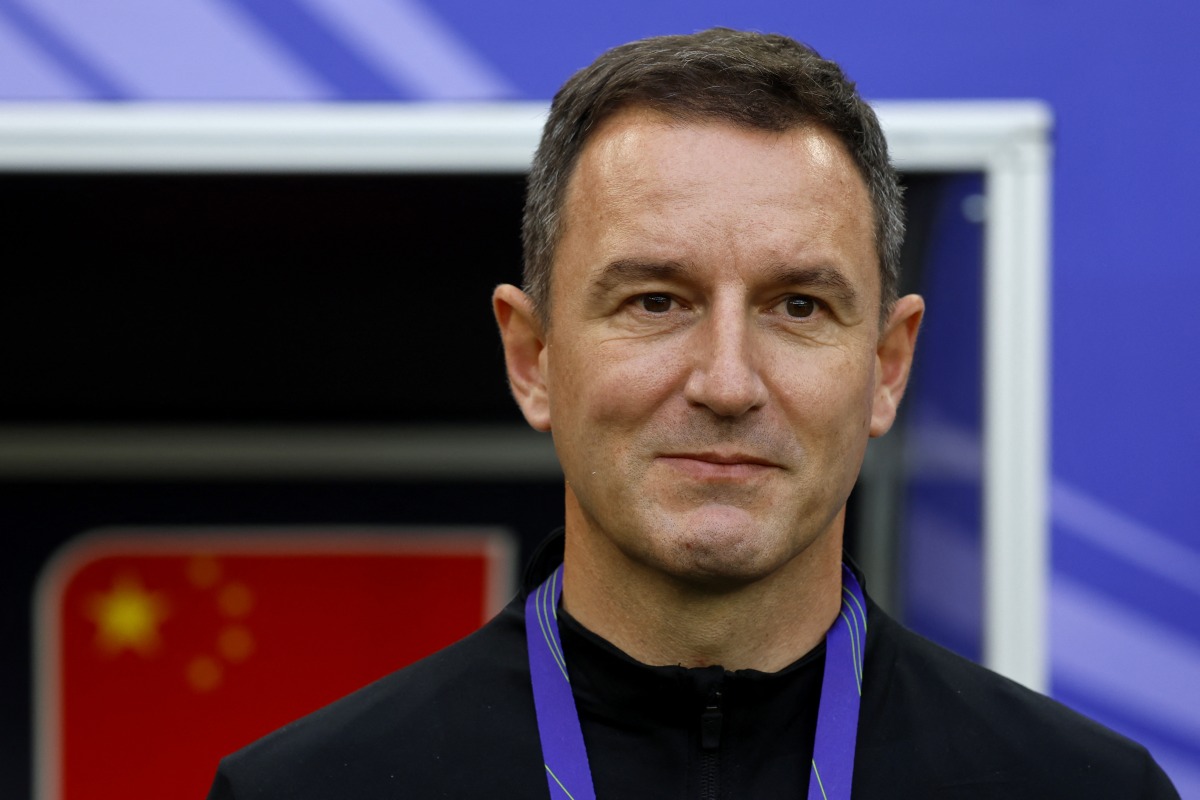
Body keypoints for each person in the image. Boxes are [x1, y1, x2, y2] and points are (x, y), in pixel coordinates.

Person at [207, 28, 1179, 799]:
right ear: (532, 355)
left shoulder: (1082, 786)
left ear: (887, 366)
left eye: (798, 305)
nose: (726, 381)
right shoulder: (310, 786)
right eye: (656, 301)